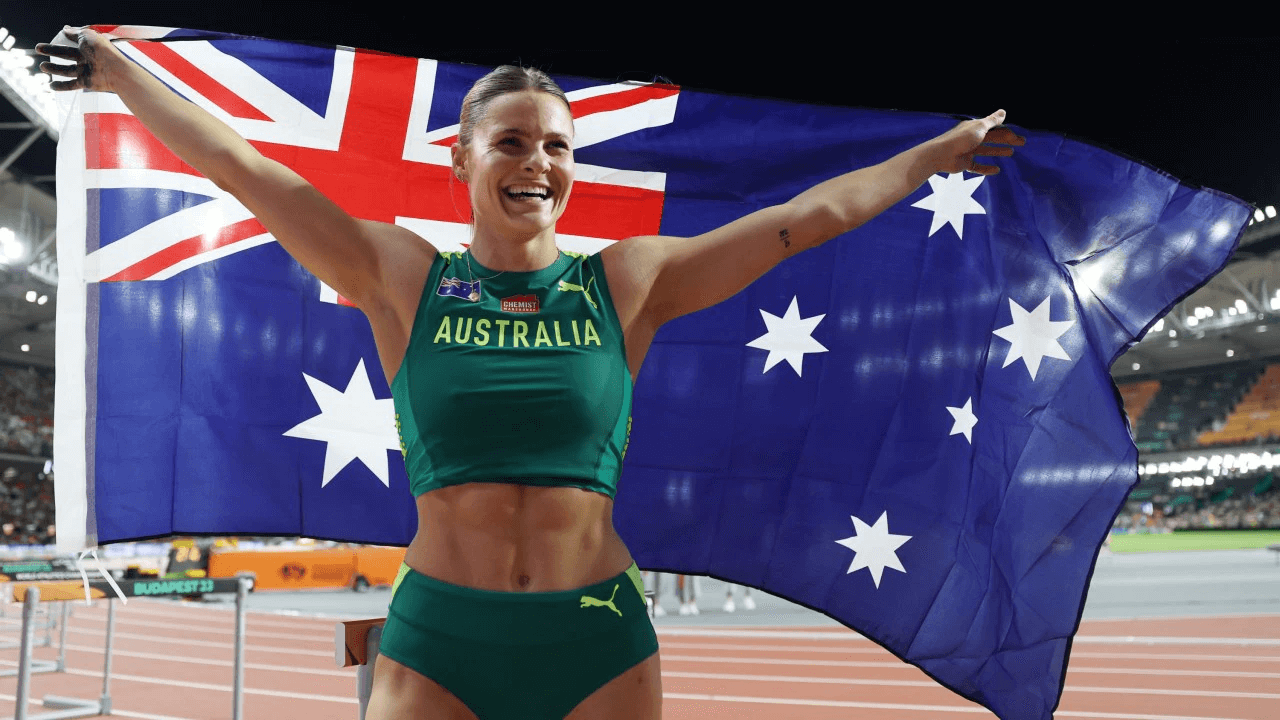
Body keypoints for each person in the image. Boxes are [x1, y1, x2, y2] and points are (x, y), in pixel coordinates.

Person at [40, 27, 1023, 720]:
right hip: (438, 639)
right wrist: (117, 74)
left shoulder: (627, 281)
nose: (537, 162)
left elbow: (797, 225)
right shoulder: (401, 276)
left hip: (594, 637)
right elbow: (248, 170)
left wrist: (933, 154)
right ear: (463, 156)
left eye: (556, 145)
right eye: (510, 142)